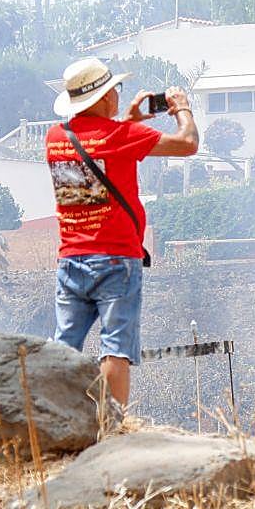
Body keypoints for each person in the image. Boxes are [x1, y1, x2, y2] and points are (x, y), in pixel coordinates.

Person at [43, 57, 198, 411]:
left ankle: (53, 418)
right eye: (115, 89)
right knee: (115, 348)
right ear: (103, 98)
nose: (117, 94)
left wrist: (128, 120)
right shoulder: (121, 137)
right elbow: (187, 143)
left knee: (63, 347)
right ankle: (112, 425)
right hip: (115, 261)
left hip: (70, 260)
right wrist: (182, 108)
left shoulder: (55, 138)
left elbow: (99, 144)